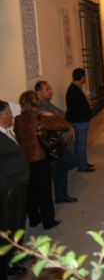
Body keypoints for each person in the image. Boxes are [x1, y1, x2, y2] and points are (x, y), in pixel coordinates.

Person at [14, 91, 66, 230]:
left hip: (25, 159)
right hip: (39, 158)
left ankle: (34, 219)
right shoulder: (40, 118)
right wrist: (51, 115)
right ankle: (48, 221)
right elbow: (63, 125)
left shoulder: (18, 119)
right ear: (36, 102)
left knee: (31, 191)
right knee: (44, 191)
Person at [0, 100, 30, 280]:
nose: (12, 115)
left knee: (18, 224)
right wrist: (6, 189)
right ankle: (8, 265)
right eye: (9, 113)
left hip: (17, 187)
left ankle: (17, 254)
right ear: (1, 116)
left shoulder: (6, 131)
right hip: (8, 191)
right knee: (8, 229)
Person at [35, 81, 78, 204]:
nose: (51, 91)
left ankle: (61, 194)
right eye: (47, 89)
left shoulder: (48, 104)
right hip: (51, 144)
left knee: (63, 166)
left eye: (50, 88)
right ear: (39, 92)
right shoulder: (39, 107)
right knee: (65, 164)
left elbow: (62, 114)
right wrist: (55, 116)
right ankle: (61, 195)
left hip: (59, 141)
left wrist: (54, 116)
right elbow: (55, 120)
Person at [66, 68, 95, 173]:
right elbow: (73, 108)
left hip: (80, 120)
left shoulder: (75, 89)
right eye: (84, 76)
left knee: (80, 143)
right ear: (82, 77)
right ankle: (82, 166)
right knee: (81, 144)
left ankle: (83, 162)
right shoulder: (74, 90)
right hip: (79, 121)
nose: (85, 78)